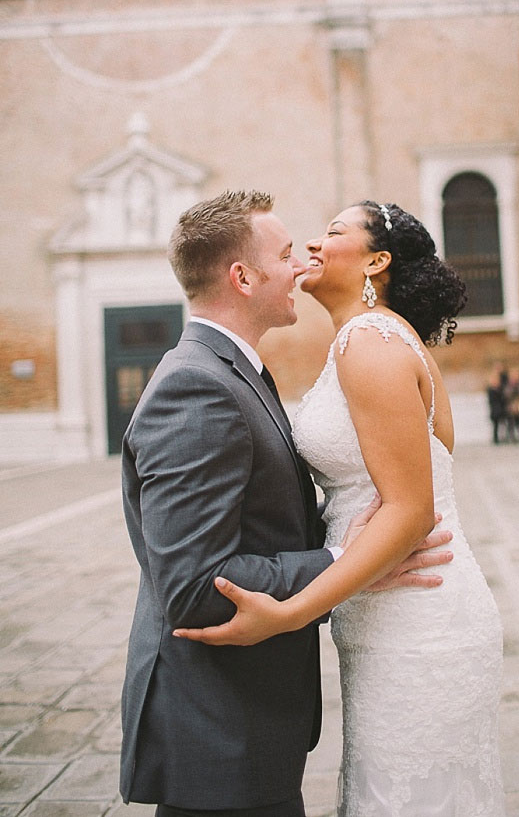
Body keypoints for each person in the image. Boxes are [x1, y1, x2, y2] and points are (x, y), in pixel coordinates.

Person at [119, 190, 453, 817]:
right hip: (218, 728)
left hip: (248, 720)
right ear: (242, 277)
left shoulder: (235, 371)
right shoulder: (196, 387)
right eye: (282, 255)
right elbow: (195, 586)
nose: (300, 264)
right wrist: (346, 561)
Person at [486, 366, 507, 444]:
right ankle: (496, 439)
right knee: (496, 426)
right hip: (495, 410)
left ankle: (500, 438)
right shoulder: (491, 390)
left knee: (501, 425)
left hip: (499, 410)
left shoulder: (499, 388)